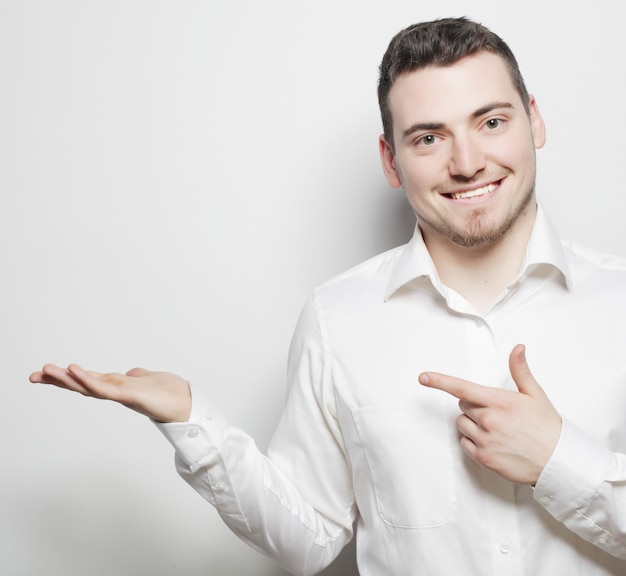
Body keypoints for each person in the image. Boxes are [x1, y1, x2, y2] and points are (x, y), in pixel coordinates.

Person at [30, 17, 626, 576]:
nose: (467, 163)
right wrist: (192, 421)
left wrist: (557, 460)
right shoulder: (337, 318)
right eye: (428, 138)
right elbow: (309, 537)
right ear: (391, 161)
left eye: (491, 122)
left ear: (534, 121)